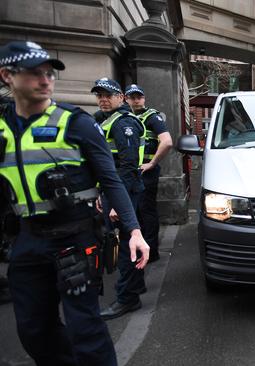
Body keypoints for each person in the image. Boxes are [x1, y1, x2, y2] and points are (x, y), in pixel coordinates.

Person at [0, 40, 149, 365]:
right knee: (33, 330)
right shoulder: (3, 127)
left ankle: (126, 300)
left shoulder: (77, 122)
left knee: (86, 328)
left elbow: (114, 174)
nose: (45, 80)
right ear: (7, 77)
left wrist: (133, 229)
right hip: (26, 240)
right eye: (33, 73)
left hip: (74, 237)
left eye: (49, 73)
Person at [92, 78, 148, 319]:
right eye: (99, 95)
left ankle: (128, 298)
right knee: (125, 244)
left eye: (108, 94)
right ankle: (134, 289)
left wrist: (116, 202)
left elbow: (127, 166)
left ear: (121, 97)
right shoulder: (107, 120)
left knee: (128, 246)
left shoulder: (124, 123)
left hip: (125, 192)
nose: (103, 99)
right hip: (115, 191)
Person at [125, 84, 172, 263]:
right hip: (131, 172)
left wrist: (152, 163)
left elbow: (167, 142)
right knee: (135, 211)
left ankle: (151, 252)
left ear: (144, 98)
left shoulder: (151, 117)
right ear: (126, 99)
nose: (136, 100)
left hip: (146, 173)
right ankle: (140, 248)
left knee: (146, 211)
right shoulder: (126, 117)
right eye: (132, 97)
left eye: (139, 97)